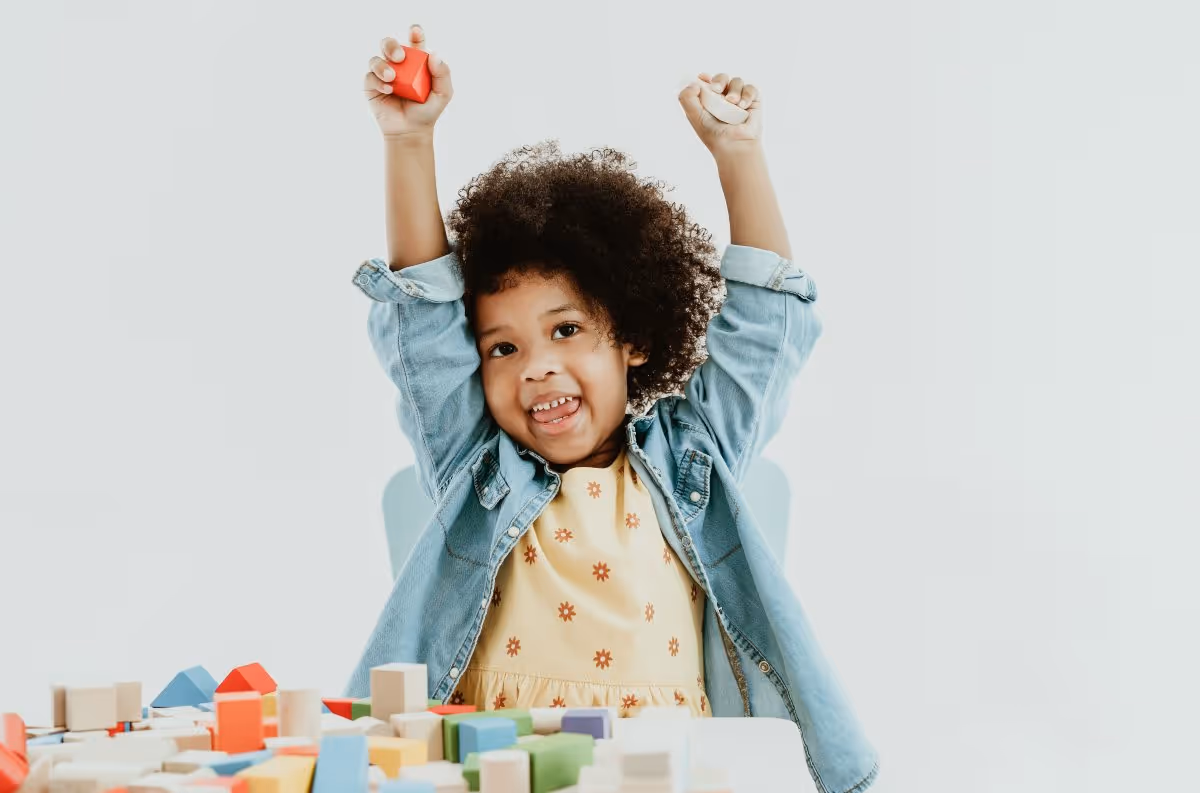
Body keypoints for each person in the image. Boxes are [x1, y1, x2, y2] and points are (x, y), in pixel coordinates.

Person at [346, 24, 878, 793]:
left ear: (630, 336)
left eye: (566, 330)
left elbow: (766, 327)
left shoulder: (694, 458)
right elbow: (423, 323)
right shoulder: (475, 466)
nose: (538, 369)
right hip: (493, 772)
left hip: (663, 773)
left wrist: (740, 156)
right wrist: (408, 142)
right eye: (502, 348)